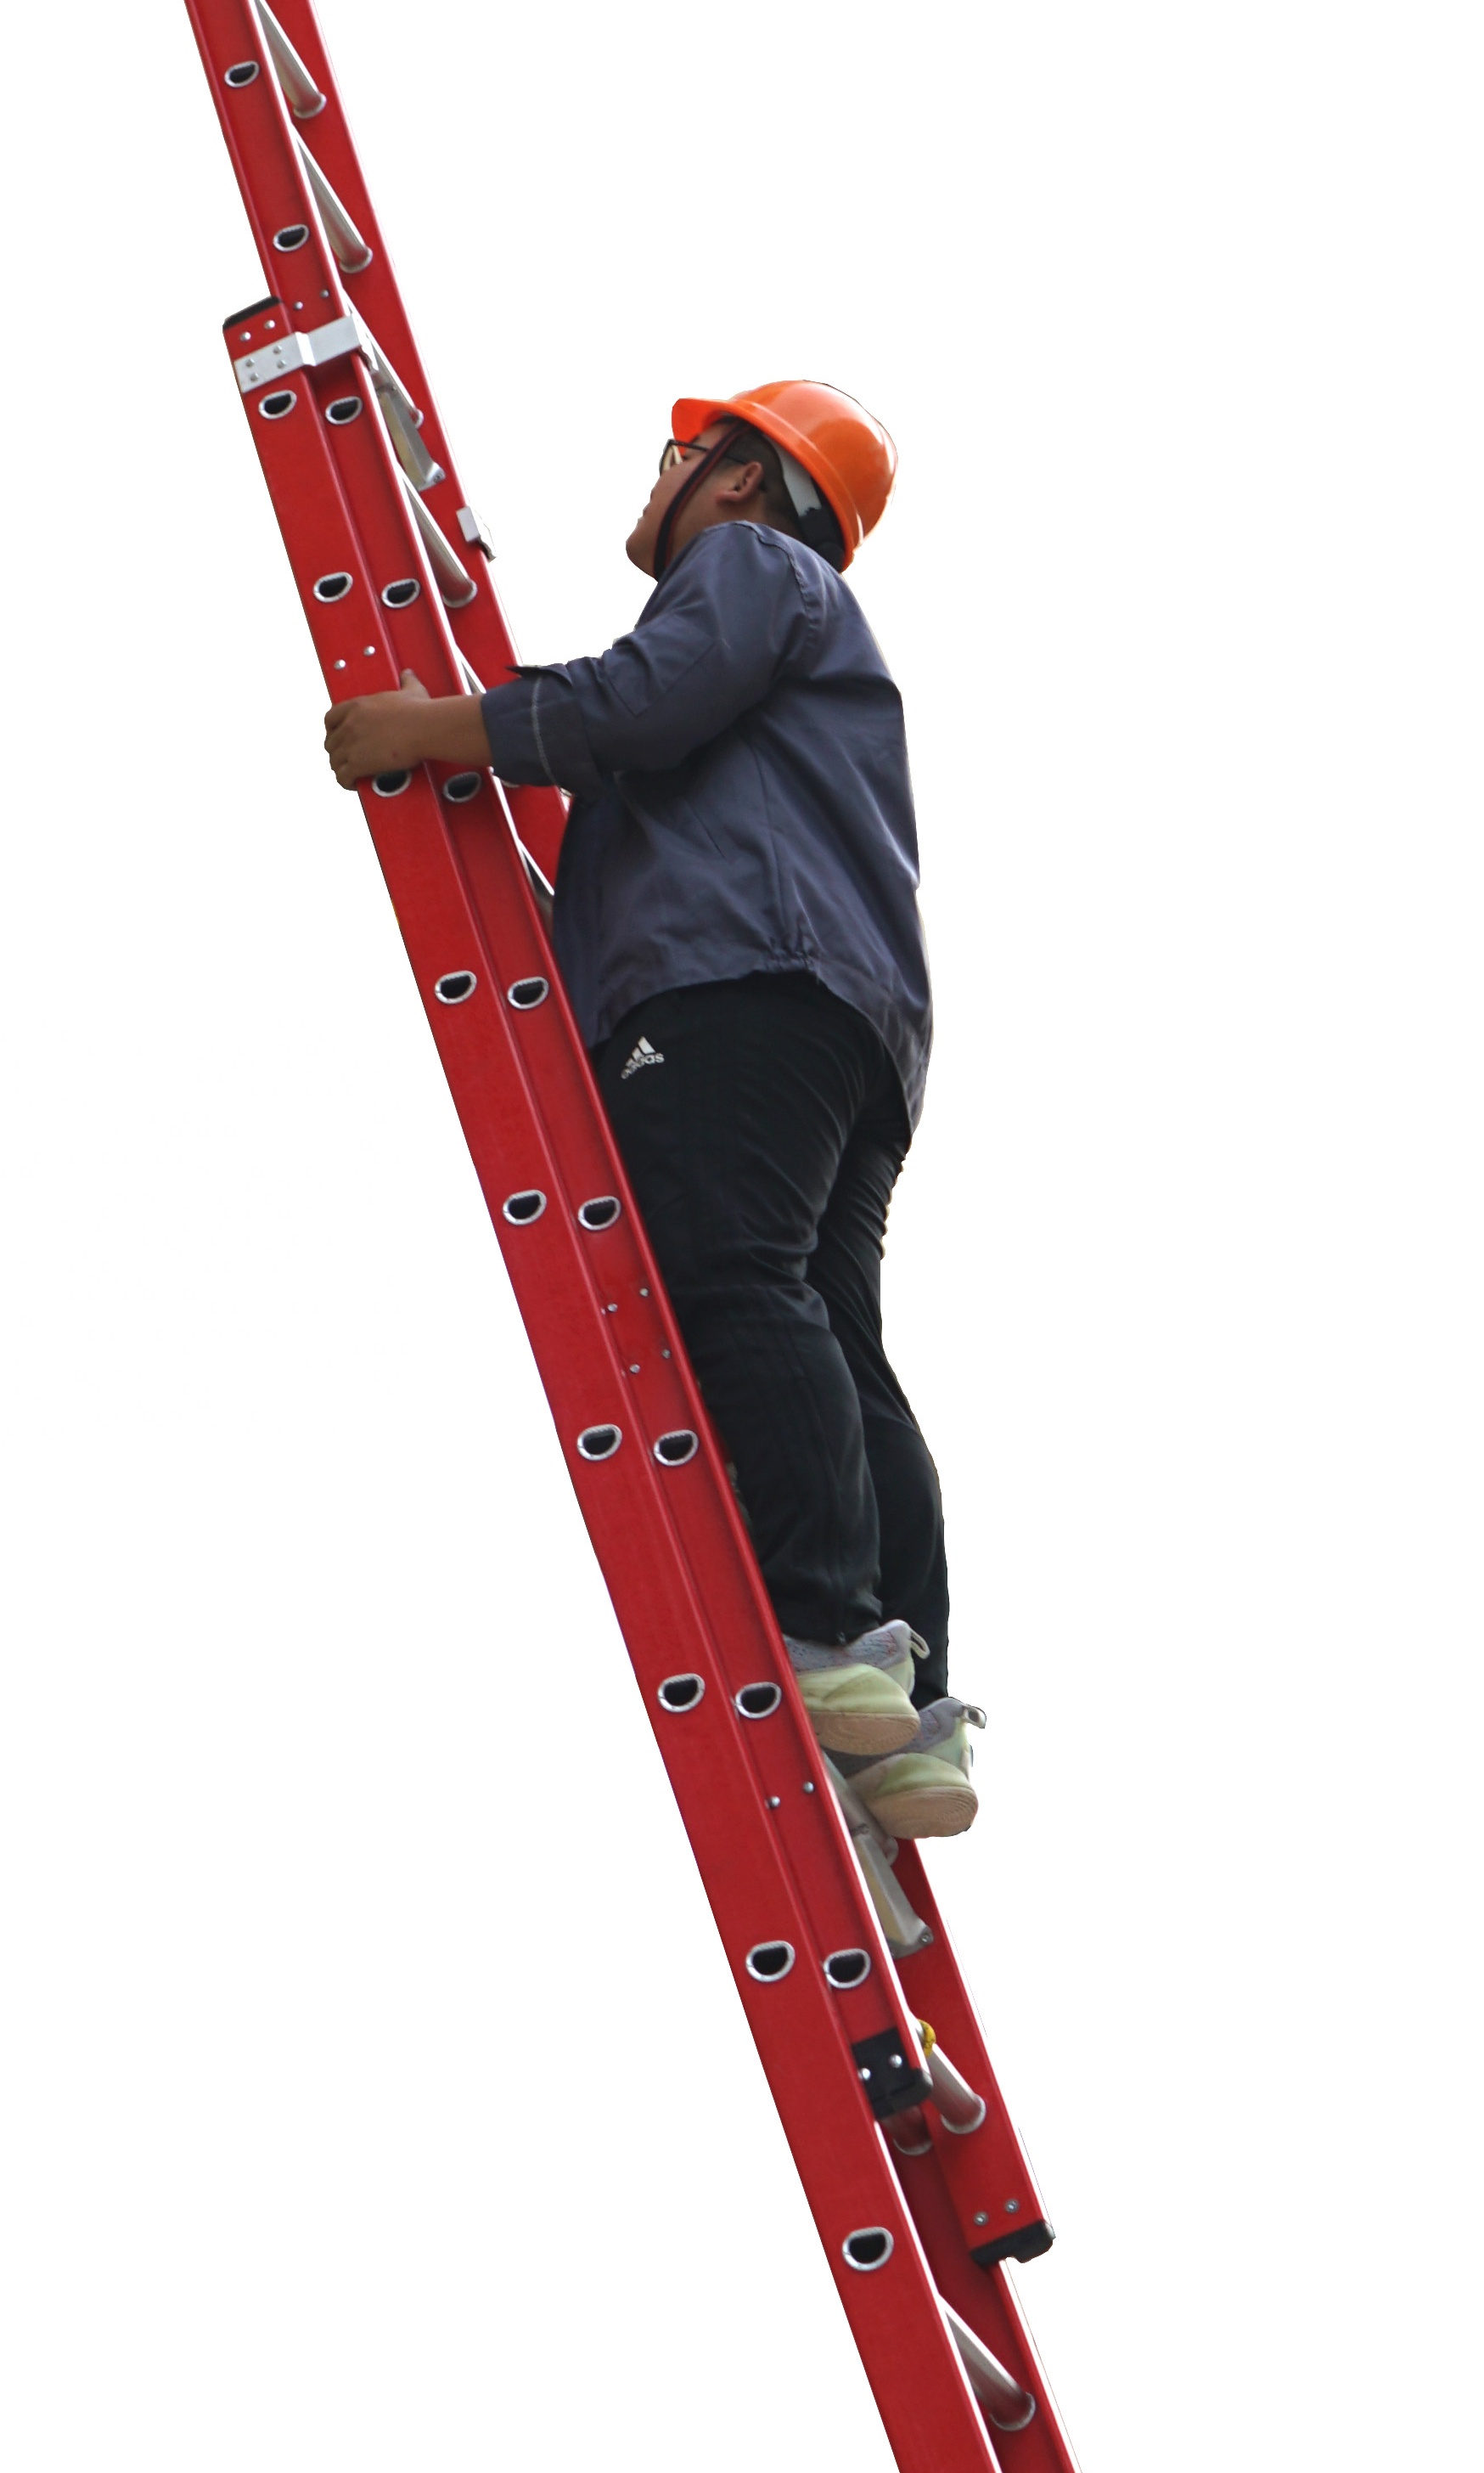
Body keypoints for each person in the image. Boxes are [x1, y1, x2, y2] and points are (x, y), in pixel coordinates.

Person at [322, 382, 975, 1839]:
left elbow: (639, 703)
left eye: (679, 452)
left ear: (737, 478)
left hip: (738, 972)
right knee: (831, 1330)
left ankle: (827, 1625)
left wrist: (442, 726)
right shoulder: (813, 629)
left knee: (731, 1274)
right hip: (848, 1018)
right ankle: (910, 1700)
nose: (659, 475)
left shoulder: (747, 568)